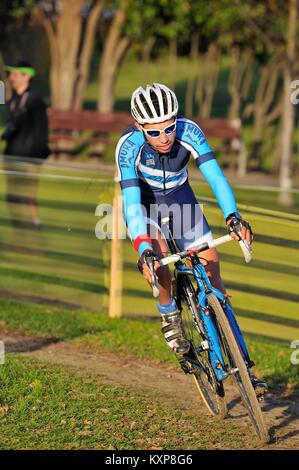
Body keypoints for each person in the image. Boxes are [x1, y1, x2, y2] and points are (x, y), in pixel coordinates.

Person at [116, 83, 267, 396]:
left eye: (169, 128)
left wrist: (232, 216)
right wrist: (143, 248)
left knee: (212, 270)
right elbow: (131, 205)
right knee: (159, 263)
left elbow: (215, 177)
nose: (165, 137)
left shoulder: (189, 131)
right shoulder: (128, 146)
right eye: (154, 132)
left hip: (180, 199)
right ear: (139, 126)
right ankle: (170, 314)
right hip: (145, 204)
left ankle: (246, 368)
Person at [2, 59, 50, 227]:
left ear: (26, 77)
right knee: (12, 198)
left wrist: (35, 159)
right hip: (12, 158)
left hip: (29, 159)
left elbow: (42, 133)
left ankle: (34, 227)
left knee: (28, 199)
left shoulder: (36, 102)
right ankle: (18, 231)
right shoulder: (13, 102)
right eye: (11, 74)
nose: (11, 77)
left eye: (15, 74)